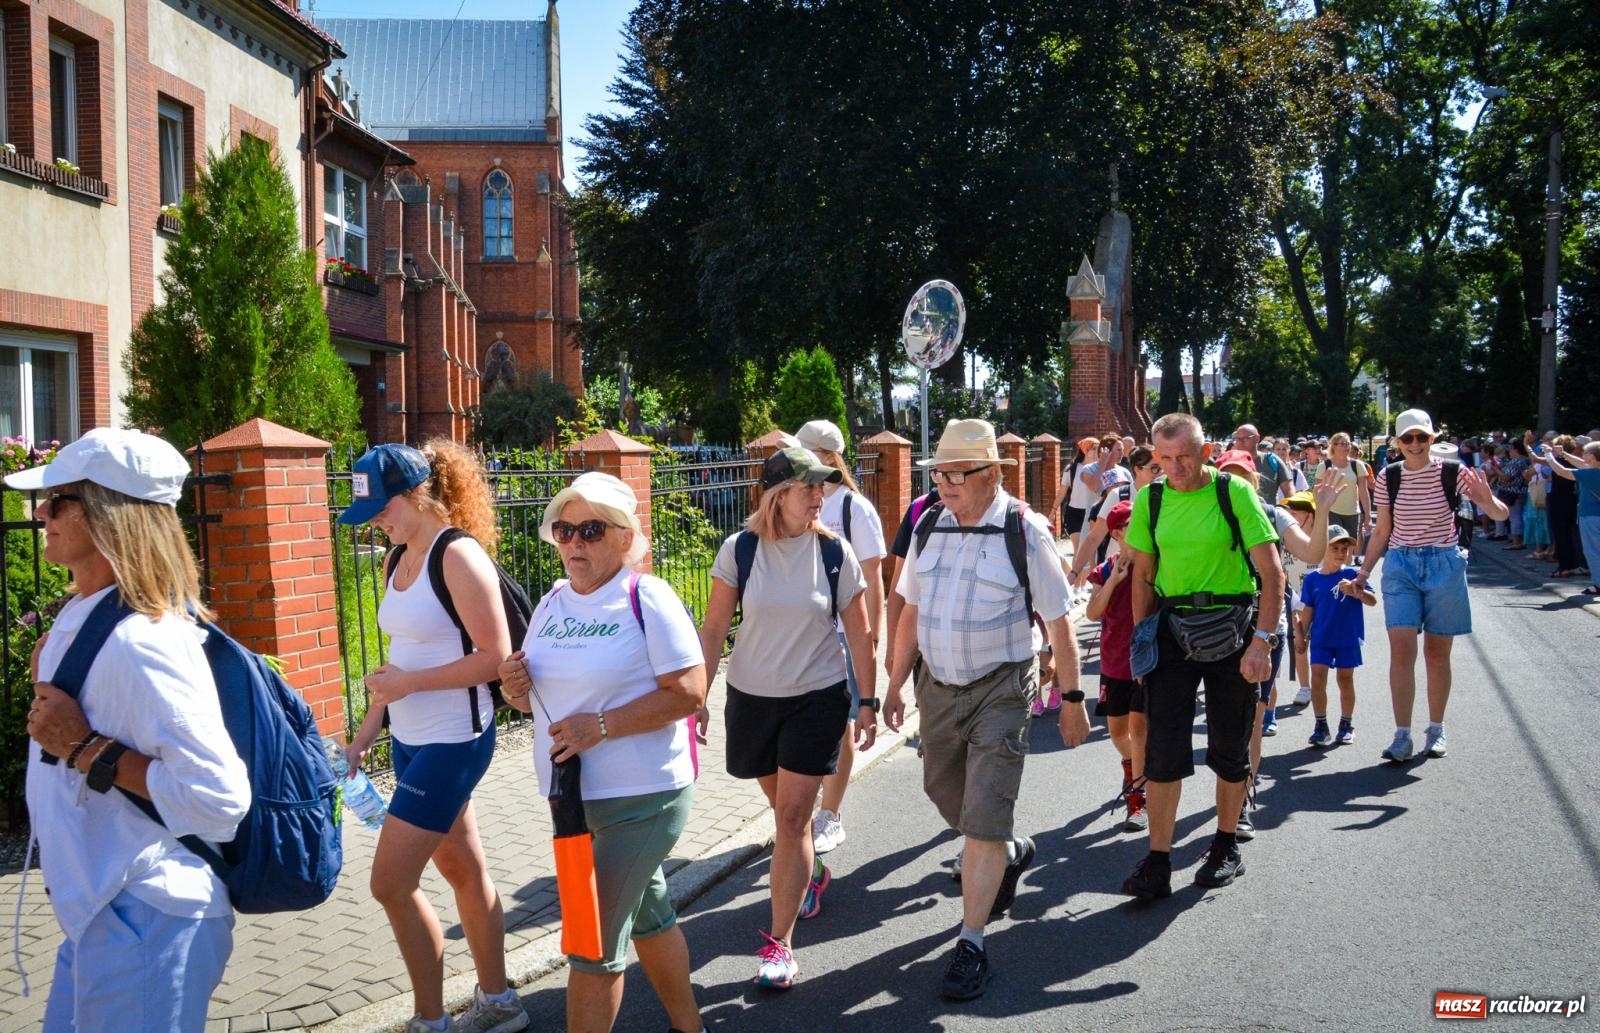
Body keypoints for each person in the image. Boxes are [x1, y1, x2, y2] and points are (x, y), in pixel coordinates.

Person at [11, 429, 251, 1033]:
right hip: (105, 911)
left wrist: (84, 747)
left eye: (60, 498)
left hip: (148, 913)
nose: (42, 511)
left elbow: (220, 799)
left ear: (110, 514)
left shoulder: (145, 640)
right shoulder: (83, 616)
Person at [883, 419, 1087, 1001]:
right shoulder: (927, 524)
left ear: (991, 474)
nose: (942, 483)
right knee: (948, 798)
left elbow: (1058, 621)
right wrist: (893, 685)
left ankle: (971, 941)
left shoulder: (1025, 530)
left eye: (954, 474)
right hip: (937, 689)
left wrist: (1071, 699)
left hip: (1002, 687)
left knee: (983, 814)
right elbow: (909, 615)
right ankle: (1009, 848)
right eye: (938, 473)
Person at [497, 473, 707, 1033]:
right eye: (563, 530)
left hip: (642, 795)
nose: (573, 543)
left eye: (590, 529)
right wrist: (513, 689)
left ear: (623, 537)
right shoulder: (549, 602)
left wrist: (604, 726)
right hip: (572, 801)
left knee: (591, 945)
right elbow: (533, 704)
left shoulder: (647, 597)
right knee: (651, 915)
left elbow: (690, 690)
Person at [337, 442, 524, 1033]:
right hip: (414, 739)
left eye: (382, 509)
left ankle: (429, 1019)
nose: (376, 523)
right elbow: (399, 664)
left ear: (418, 493)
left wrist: (411, 682)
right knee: (463, 870)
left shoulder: (458, 556)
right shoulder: (398, 557)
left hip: (455, 741)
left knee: (390, 882)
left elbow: (496, 659)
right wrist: (364, 738)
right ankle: (500, 1003)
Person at [696, 447, 876, 989]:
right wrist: (697, 693)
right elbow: (712, 628)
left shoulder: (834, 553)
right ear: (777, 496)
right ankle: (811, 872)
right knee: (781, 811)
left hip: (816, 698)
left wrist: (866, 701)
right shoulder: (741, 550)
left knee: (793, 819)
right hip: (751, 696)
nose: (819, 496)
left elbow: (861, 635)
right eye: (808, 488)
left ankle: (780, 946)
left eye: (822, 487)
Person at [1119, 414, 1284, 899]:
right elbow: (1144, 576)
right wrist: (1141, 642)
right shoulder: (1150, 498)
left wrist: (1263, 641)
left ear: (1205, 451)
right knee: (1164, 748)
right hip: (1172, 631)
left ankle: (1226, 844)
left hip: (1233, 627)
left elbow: (1271, 572)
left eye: (1183, 457)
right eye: (1163, 459)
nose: (1174, 468)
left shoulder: (1233, 493)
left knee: (1230, 745)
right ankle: (1158, 860)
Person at [1349, 410, 1507, 763]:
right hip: (1401, 566)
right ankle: (1401, 736)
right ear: (1398, 443)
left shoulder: (1454, 472)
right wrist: (1362, 573)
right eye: (1408, 438)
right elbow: (1382, 531)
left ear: (1433, 439)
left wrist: (1485, 499)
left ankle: (1436, 729)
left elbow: (1500, 516)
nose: (1415, 444)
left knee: (1437, 654)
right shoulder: (1390, 477)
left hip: (1444, 565)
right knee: (1401, 651)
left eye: (1422, 437)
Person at [1212, 450, 1335, 838]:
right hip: (1213, 629)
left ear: (1254, 479)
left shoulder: (1274, 514)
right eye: (1226, 474)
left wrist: (1325, 510)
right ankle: (1229, 795)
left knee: (1251, 720)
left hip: (1265, 628)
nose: (1234, 481)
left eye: (1241, 475)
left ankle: (1244, 796)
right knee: (1221, 721)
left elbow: (1312, 553)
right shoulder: (1204, 512)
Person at [793, 419, 887, 854]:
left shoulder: (854, 507)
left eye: (805, 451)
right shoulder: (793, 501)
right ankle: (808, 803)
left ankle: (830, 813)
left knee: (842, 721)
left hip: (845, 634)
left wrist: (871, 639)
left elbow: (874, 578)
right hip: (806, 635)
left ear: (828, 458)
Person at [1085, 500, 1145, 832]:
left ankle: (1138, 800)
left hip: (1148, 664)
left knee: (1139, 731)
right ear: (1119, 533)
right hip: (1114, 663)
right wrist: (1115, 580)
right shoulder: (1106, 569)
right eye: (1134, 525)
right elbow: (1093, 613)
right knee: (1118, 733)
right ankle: (1134, 768)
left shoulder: (1158, 563)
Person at [1301, 525, 1376, 747]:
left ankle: (1346, 724)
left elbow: (1372, 601)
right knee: (1318, 678)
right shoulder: (1313, 579)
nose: (1341, 553)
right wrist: (1301, 635)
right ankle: (1320, 725)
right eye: (1335, 548)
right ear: (1323, 549)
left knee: (1345, 679)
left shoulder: (1353, 575)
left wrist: (1356, 590)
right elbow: (1308, 610)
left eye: (1345, 548)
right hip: (1321, 637)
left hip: (1347, 637)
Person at [1068, 444, 1160, 586]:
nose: (1160, 473)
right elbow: (1094, 537)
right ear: (1138, 469)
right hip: (1118, 576)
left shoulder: (1168, 496)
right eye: (1155, 468)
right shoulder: (1119, 495)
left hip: (1154, 576)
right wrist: (1074, 573)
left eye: (1162, 467)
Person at [1536, 440, 1600, 596]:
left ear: (1592, 456)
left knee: (1593, 551)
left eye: (1585, 452)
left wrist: (1548, 454)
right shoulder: (1593, 470)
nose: (1582, 454)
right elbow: (1581, 464)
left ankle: (1598, 584)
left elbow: (1562, 471)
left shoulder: (1590, 473)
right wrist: (1563, 454)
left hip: (1591, 517)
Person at [1322, 433, 1372, 544]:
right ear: (1333, 446)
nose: (1347, 446)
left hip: (1353, 512)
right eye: (1343, 444)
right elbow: (1318, 492)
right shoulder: (1324, 465)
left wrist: (1368, 516)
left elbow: (1364, 492)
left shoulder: (1357, 465)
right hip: (1331, 511)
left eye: (1348, 444)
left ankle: (1349, 562)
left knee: (1349, 545)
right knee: (1335, 543)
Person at [1052, 437, 1100, 550]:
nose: (1097, 451)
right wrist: (1053, 510)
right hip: (1075, 513)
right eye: (1094, 448)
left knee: (1091, 550)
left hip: (1094, 513)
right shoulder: (1072, 469)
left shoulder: (1101, 469)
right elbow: (1062, 492)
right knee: (1079, 549)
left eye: (1099, 448)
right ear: (1085, 450)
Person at [1233, 424, 1292, 508]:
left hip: (1268, 518)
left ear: (1257, 438)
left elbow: (1289, 490)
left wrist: (1288, 513)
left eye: (1246, 438)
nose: (1241, 442)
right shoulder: (1230, 463)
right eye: (1238, 438)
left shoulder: (1271, 461)